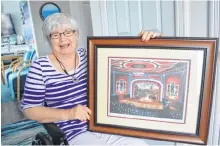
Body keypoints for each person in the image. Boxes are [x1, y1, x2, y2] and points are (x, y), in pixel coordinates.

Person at [21, 13, 162, 145]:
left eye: (68, 32)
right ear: (48, 39)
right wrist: (69, 113)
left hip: (106, 124)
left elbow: (125, 59)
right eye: (55, 35)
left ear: (77, 35)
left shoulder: (91, 55)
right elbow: (30, 109)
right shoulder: (39, 67)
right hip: (73, 131)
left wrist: (148, 40)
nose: (63, 39)